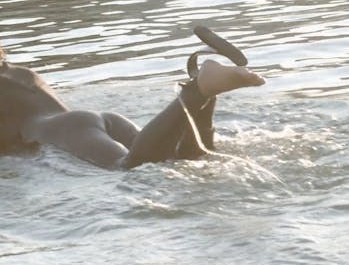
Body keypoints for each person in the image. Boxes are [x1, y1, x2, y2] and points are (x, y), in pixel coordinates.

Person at [0, 28, 265, 169]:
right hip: (98, 120)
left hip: (64, 131)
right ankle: (206, 92)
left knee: (131, 166)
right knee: (180, 158)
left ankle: (198, 91)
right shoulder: (17, 74)